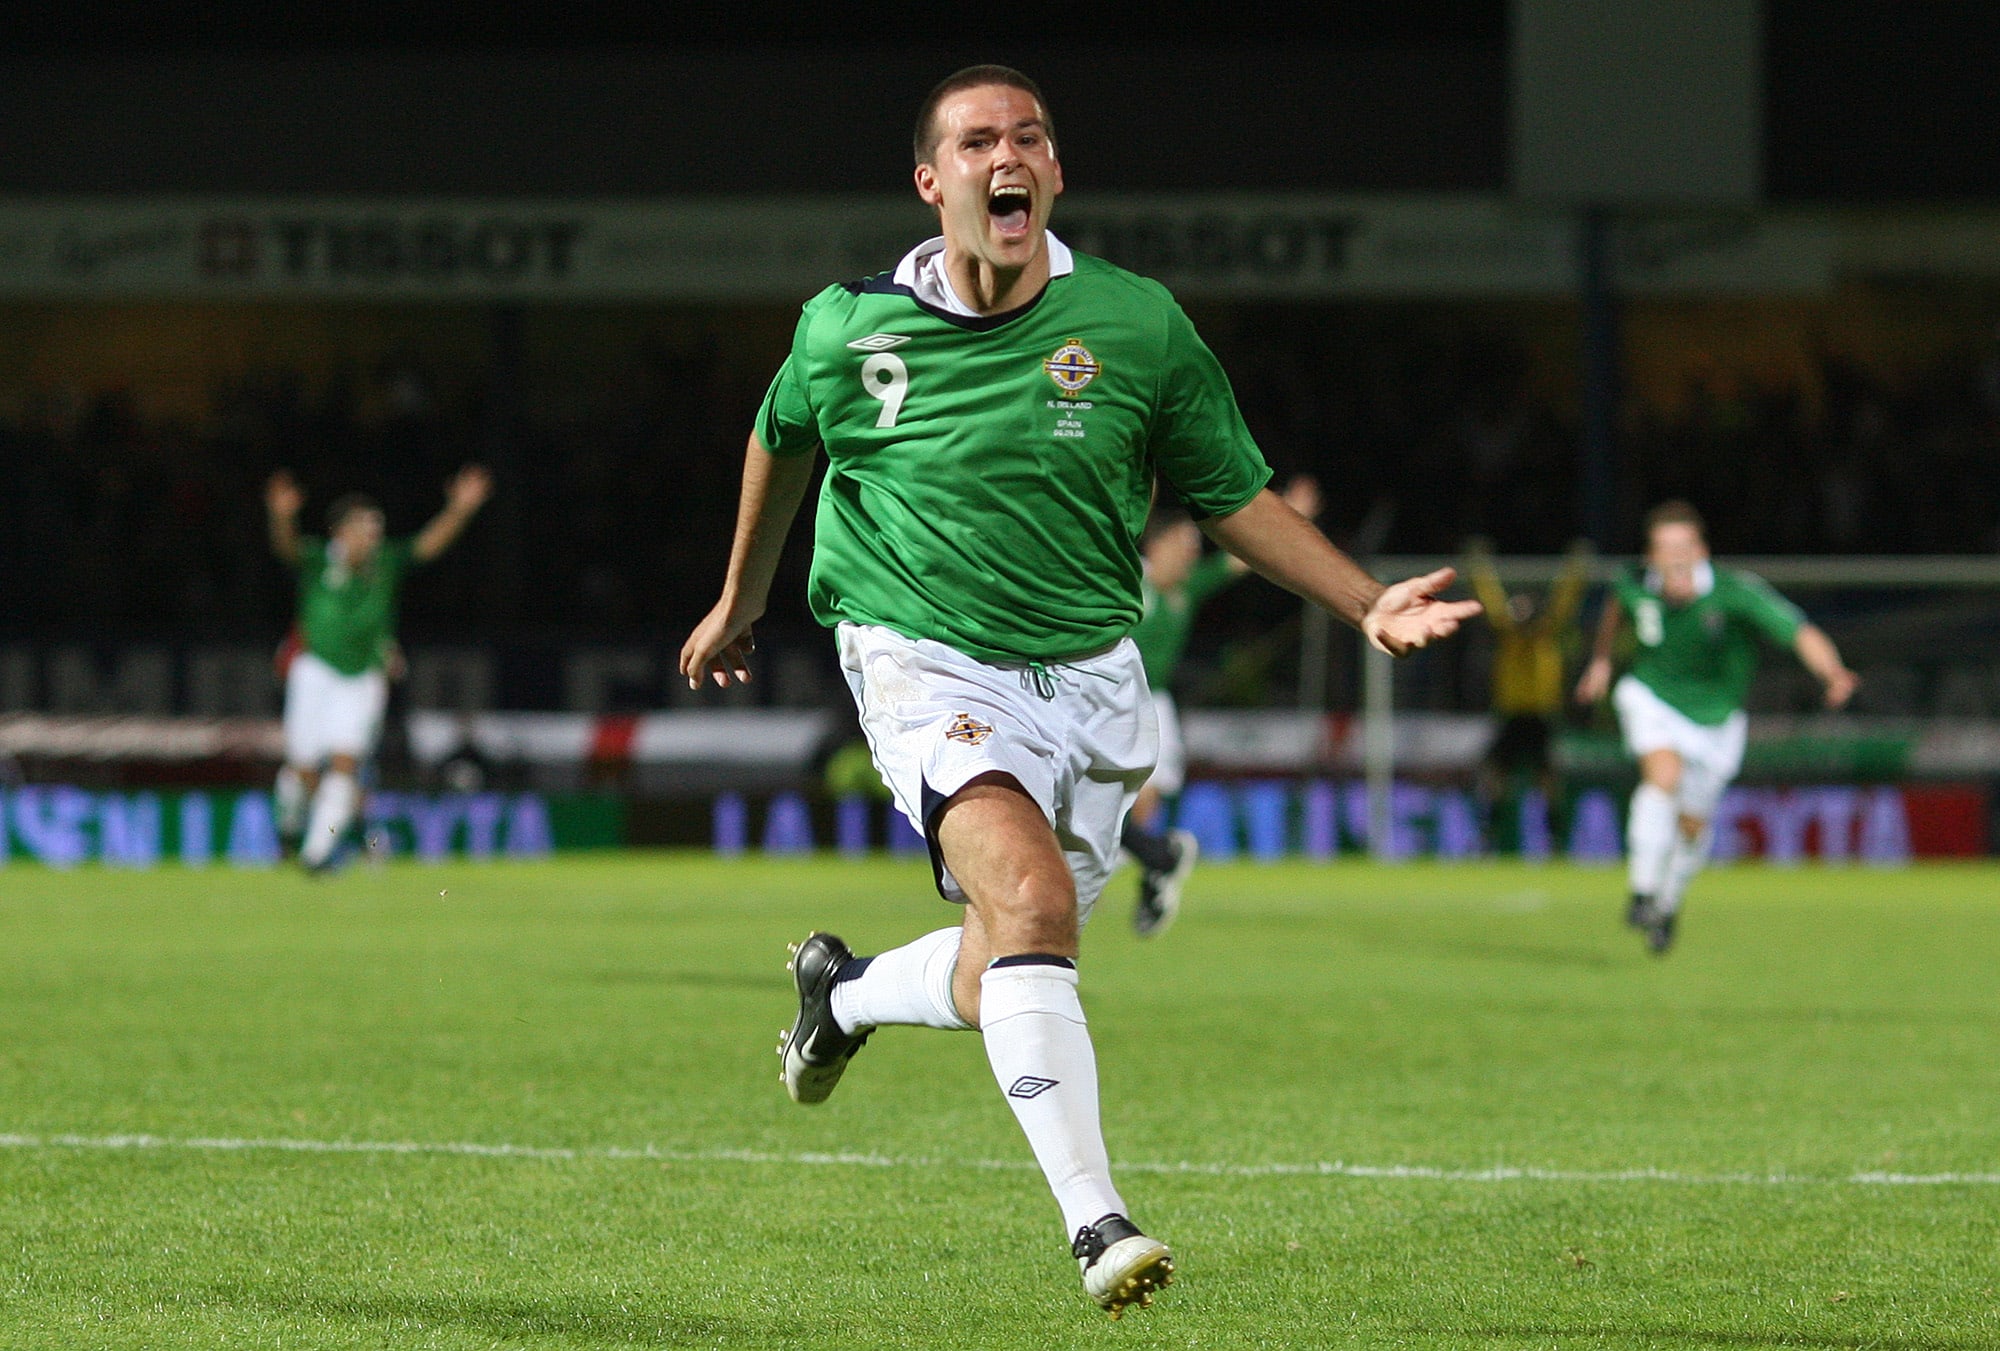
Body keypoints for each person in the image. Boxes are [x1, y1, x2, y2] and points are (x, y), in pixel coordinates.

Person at [678, 65, 1478, 1318]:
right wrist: (741, 596)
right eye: (977, 141)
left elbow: (1230, 496)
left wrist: (1363, 600)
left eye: (1030, 138)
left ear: (1052, 173)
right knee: (1032, 900)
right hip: (921, 653)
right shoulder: (846, 329)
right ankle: (1096, 1220)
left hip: (1095, 676)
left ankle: (843, 994)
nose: (1008, 155)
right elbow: (780, 436)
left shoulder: (1135, 323)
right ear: (931, 181)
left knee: (1006, 956)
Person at [1574, 500, 1857, 953]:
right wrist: (1602, 662)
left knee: (1691, 825)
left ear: (1701, 551)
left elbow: (1799, 631)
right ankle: (1642, 890)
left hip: (1715, 722)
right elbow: (1615, 608)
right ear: (1651, 557)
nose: (1676, 557)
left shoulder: (1734, 592)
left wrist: (1833, 672)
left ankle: (1668, 902)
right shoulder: (1634, 583)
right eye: (1666, 548)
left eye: (1684, 546)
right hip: (1651, 697)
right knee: (1662, 776)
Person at [1122, 474, 1321, 936]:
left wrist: (1289, 515)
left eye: (1194, 549)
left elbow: (1241, 559)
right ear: (1157, 546)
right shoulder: (1128, 578)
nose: (1190, 555)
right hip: (1110, 701)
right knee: (1104, 799)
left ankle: (1147, 862)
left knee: (1142, 800)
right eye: (1183, 546)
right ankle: (1151, 859)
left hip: (1155, 705)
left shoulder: (1184, 589)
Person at [267, 465, 491, 872]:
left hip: (362, 677)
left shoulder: (385, 562)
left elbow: (429, 544)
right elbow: (286, 547)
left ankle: (316, 856)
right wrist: (281, 515)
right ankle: (294, 829)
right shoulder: (318, 561)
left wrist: (459, 510)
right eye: (365, 527)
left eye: (377, 527)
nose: (373, 535)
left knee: (345, 764)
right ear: (340, 532)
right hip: (314, 670)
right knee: (301, 770)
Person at [1464, 535, 1592, 844]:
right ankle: (1489, 834)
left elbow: (1565, 599)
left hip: (1540, 716)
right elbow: (1491, 598)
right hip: (1511, 715)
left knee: (1547, 779)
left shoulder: (1546, 635)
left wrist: (1577, 567)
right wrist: (1478, 565)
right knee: (1496, 776)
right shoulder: (1508, 635)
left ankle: (1554, 837)